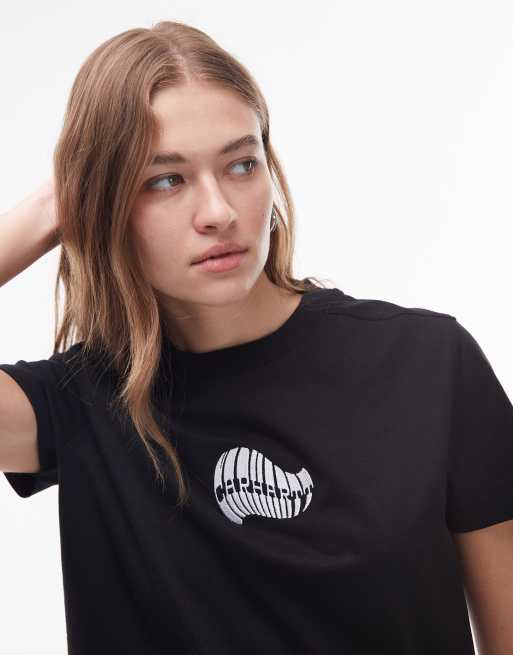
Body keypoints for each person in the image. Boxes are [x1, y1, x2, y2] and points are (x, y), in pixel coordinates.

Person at [1, 20, 512, 655]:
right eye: (165, 179)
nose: (219, 212)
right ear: (100, 203)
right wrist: (47, 209)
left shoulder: (428, 366)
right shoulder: (80, 404)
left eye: (242, 165)